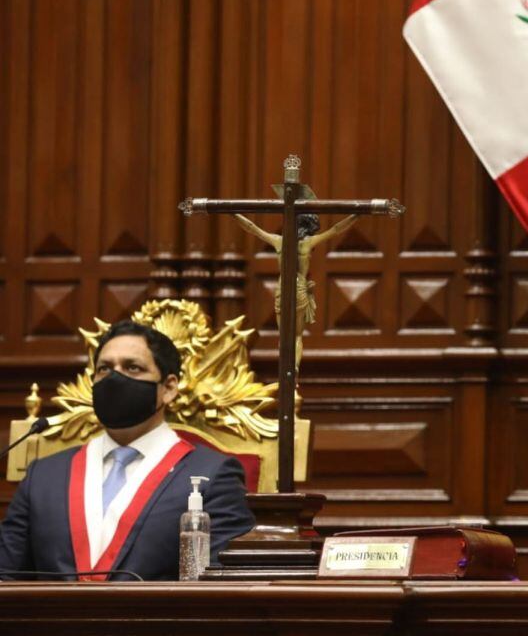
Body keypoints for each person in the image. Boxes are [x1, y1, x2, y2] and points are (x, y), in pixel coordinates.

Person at [0, 321, 255, 580]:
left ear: (168, 388)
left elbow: (221, 585)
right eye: (104, 369)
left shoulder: (213, 475)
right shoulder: (43, 476)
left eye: (132, 368)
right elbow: (6, 577)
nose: (114, 378)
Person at [232, 212, 359, 369]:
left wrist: (233, 213)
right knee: (297, 336)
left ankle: (285, 370)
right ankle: (294, 370)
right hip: (299, 287)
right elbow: (336, 229)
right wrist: (356, 215)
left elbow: (252, 228)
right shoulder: (308, 243)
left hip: (282, 287)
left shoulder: (279, 241)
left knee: (284, 335)